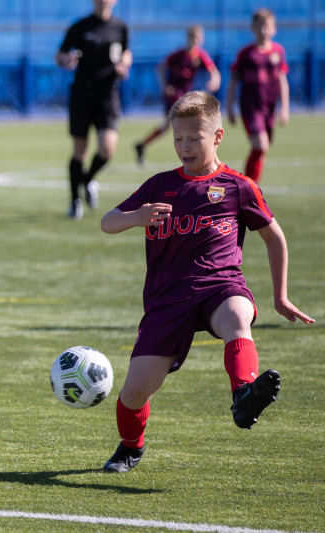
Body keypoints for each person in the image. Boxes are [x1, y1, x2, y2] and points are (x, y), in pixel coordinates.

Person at [99, 91, 313, 473]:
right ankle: (131, 447)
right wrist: (136, 217)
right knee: (134, 393)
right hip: (168, 299)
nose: (184, 146)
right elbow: (107, 222)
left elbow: (274, 237)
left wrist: (280, 295)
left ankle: (244, 392)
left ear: (216, 137)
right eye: (178, 138)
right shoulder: (160, 185)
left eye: (193, 138)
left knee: (238, 314)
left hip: (220, 285)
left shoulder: (238, 187)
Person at [56, 0, 131, 221]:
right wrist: (67, 60)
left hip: (107, 95)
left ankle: (87, 179)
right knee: (80, 150)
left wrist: (124, 65)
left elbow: (126, 52)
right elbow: (60, 54)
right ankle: (74, 201)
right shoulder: (79, 26)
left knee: (107, 148)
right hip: (82, 94)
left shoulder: (120, 27)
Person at [135, 25, 221, 165]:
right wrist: (164, 86)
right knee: (183, 125)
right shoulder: (179, 54)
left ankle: (142, 145)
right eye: (193, 38)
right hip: (174, 96)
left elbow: (214, 71)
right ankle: (191, 155)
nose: (195, 42)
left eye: (198, 39)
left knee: (169, 126)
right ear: (188, 38)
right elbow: (161, 67)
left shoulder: (200, 55)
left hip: (186, 97)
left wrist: (214, 80)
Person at [225, 8, 289, 184]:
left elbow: (282, 81)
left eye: (267, 26)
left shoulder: (278, 51)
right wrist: (229, 107)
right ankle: (248, 185)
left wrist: (284, 108)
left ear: (274, 29)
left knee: (263, 150)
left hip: (269, 108)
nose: (264, 30)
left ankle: (252, 188)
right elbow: (233, 81)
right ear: (252, 28)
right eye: (260, 26)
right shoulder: (246, 53)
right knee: (260, 145)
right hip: (251, 107)